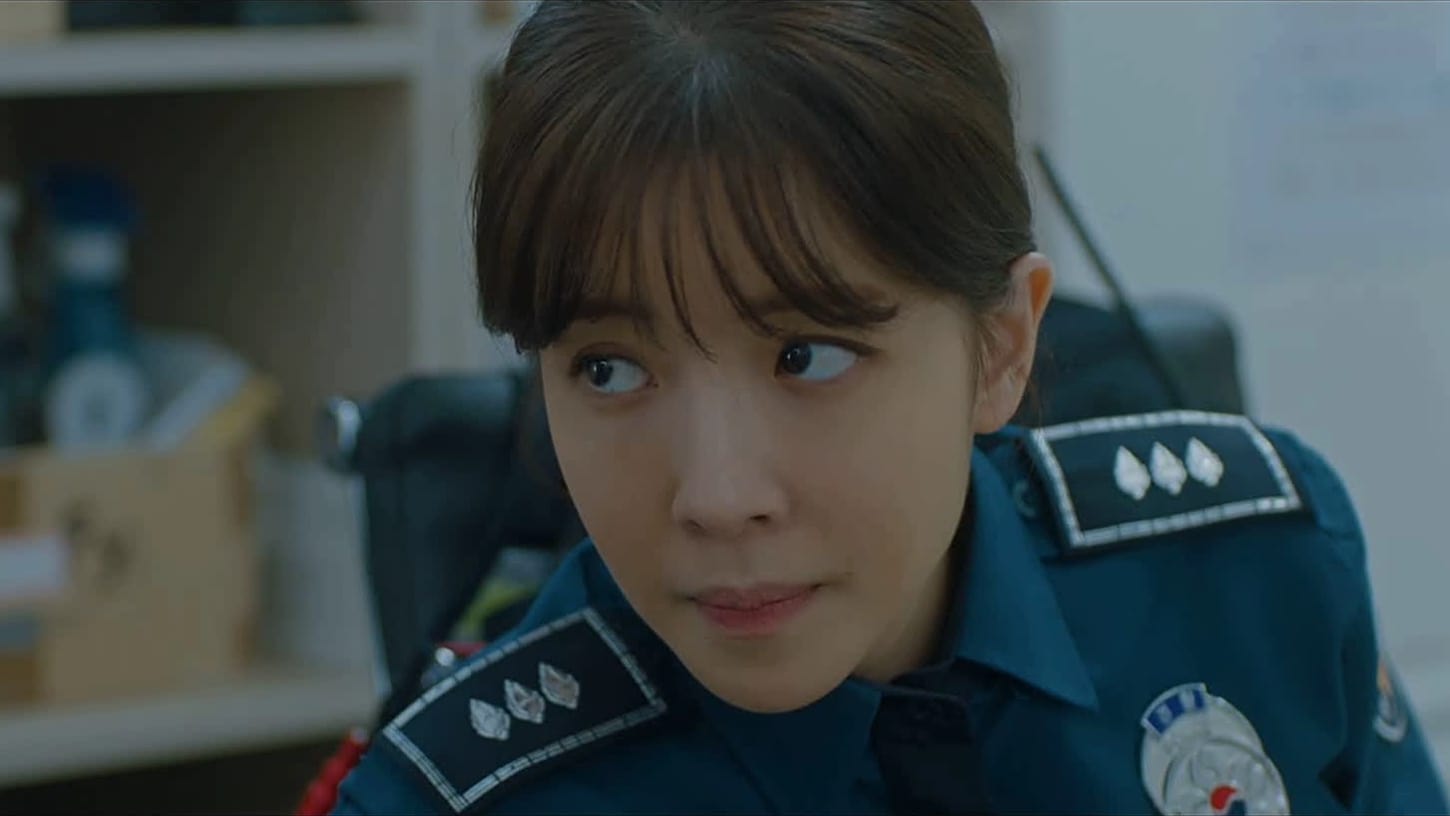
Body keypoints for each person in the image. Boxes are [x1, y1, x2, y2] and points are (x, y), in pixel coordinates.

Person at [333, 2, 1449, 813]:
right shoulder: (457, 798)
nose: (718, 496)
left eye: (807, 356)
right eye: (610, 371)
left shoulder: (1260, 583)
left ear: (1000, 348)